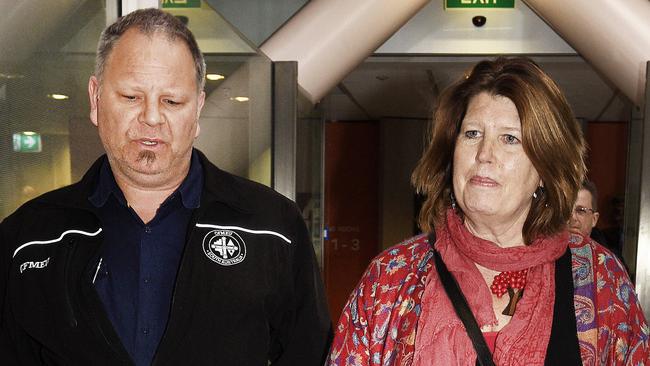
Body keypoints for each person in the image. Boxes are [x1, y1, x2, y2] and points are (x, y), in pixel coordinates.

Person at [0, 8, 330, 366]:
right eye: (131, 97)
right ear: (96, 100)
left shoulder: (272, 227)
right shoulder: (26, 237)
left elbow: (309, 355)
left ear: (198, 109)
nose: (152, 117)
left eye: (172, 101)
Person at [327, 57, 648, 365]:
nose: (484, 153)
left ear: (544, 166)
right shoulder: (393, 276)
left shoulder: (599, 277)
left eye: (509, 138)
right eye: (472, 133)